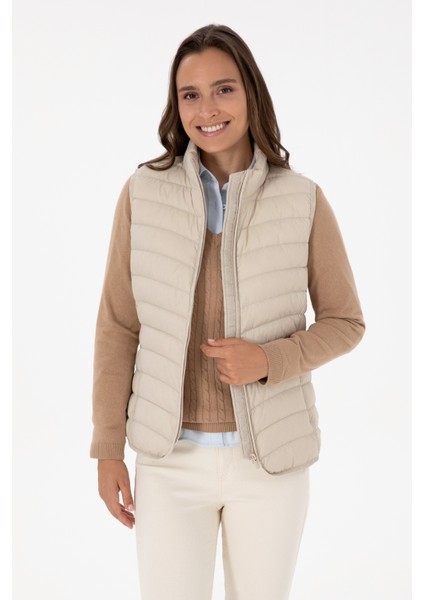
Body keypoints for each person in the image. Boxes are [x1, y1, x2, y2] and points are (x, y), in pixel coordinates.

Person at [90, 23, 365, 600]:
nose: (207, 109)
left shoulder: (302, 198)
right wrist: (108, 447)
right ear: (176, 106)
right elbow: (118, 325)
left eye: (224, 89)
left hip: (270, 463)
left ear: (250, 93)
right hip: (168, 461)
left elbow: (346, 322)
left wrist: (268, 360)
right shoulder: (143, 193)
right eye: (190, 94)